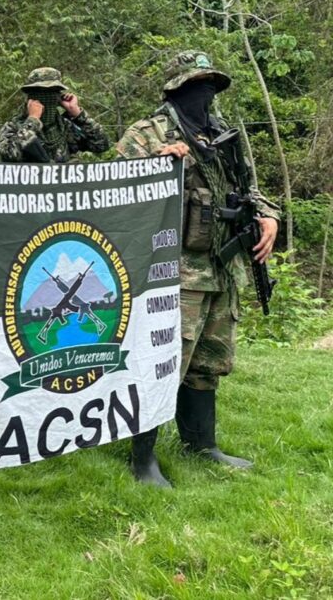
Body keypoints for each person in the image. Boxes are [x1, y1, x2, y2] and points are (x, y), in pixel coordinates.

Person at [115, 50, 279, 487]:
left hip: (223, 264)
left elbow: (250, 188)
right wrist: (159, 165)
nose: (204, 94)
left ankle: (200, 445)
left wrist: (268, 215)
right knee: (164, 360)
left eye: (209, 86)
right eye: (194, 86)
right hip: (173, 270)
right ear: (174, 89)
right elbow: (115, 193)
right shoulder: (147, 133)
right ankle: (142, 457)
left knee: (208, 360)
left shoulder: (224, 133)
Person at [0, 67, 110, 163]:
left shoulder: (65, 126)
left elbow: (101, 145)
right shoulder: (14, 127)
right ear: (30, 98)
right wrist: (32, 120)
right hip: (31, 187)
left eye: (53, 92)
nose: (46, 97)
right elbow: (9, 156)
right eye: (39, 92)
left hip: (62, 187)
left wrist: (77, 114)